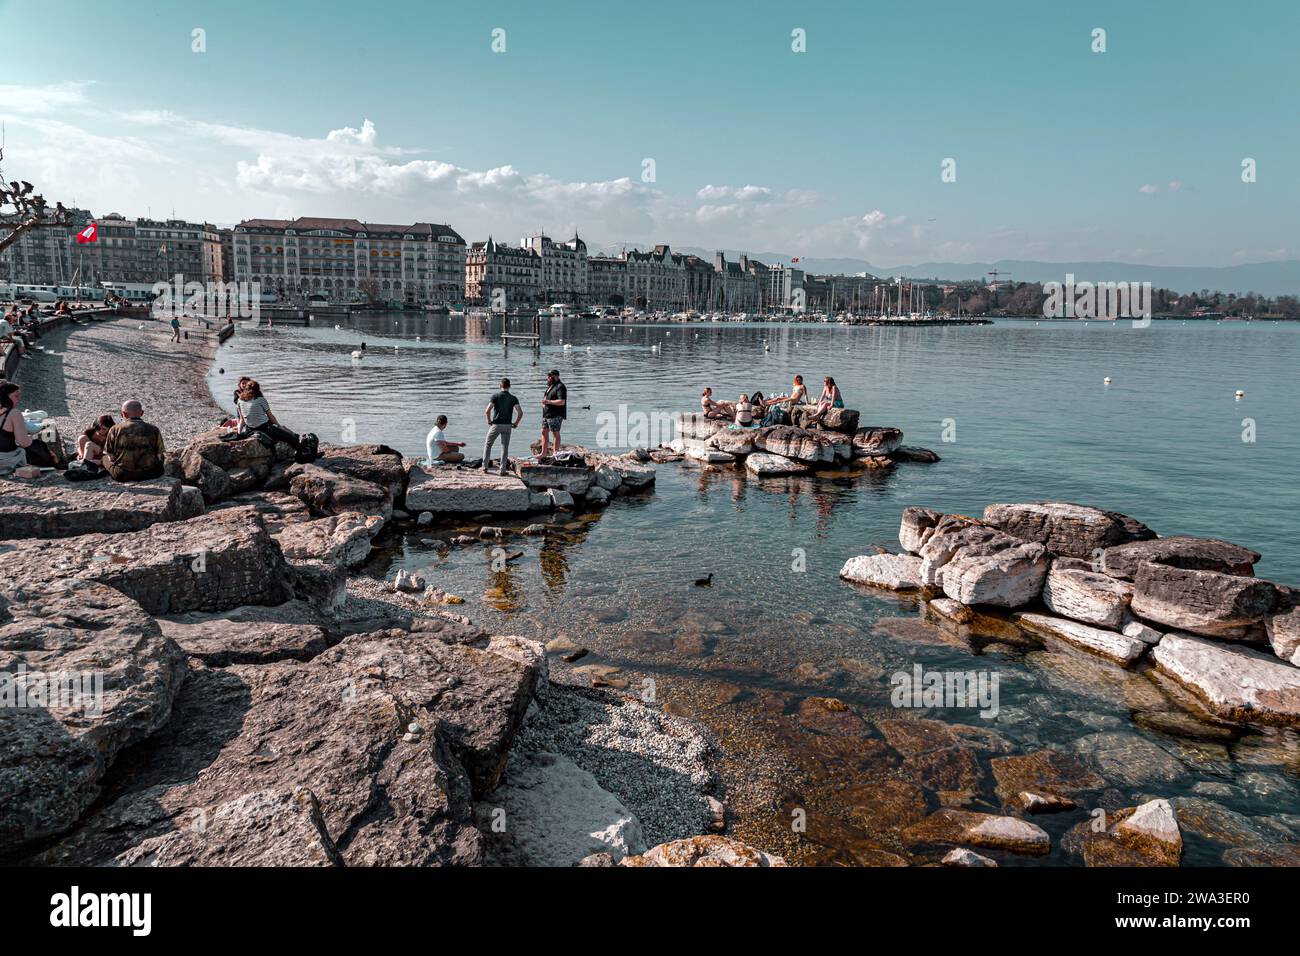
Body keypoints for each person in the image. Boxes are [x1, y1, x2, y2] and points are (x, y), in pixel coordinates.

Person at [103, 400, 166, 482]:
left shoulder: (115, 429)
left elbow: (110, 455)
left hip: (123, 475)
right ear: (142, 413)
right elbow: (159, 454)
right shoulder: (154, 429)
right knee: (161, 459)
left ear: (124, 414)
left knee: (104, 458)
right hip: (151, 474)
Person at [0, 382, 58, 471]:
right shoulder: (14, 413)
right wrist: (30, 439)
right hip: (5, 459)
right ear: (6, 397)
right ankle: (55, 466)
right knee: (39, 446)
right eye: (16, 396)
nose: (19, 399)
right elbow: (24, 442)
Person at [235, 379, 300, 451]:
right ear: (258, 390)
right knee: (288, 437)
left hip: (250, 429)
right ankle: (299, 448)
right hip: (264, 428)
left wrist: (239, 433)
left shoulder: (240, 401)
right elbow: (270, 416)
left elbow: (242, 420)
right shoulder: (260, 400)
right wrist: (279, 426)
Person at [482, 377, 522, 476]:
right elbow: (520, 412)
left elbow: (487, 410)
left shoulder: (495, 396)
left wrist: (489, 420)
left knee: (488, 444)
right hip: (508, 425)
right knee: (504, 447)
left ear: (500, 386)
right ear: (509, 386)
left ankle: (485, 467)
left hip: (496, 424)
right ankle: (503, 470)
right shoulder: (513, 398)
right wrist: (516, 423)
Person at [540, 368, 567, 458]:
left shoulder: (560, 386)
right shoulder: (550, 386)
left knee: (555, 433)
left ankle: (555, 453)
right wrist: (544, 403)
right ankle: (543, 453)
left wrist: (549, 402)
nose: (547, 378)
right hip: (547, 414)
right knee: (544, 432)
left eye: (549, 377)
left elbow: (562, 401)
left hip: (556, 414)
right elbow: (546, 398)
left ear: (554, 376)